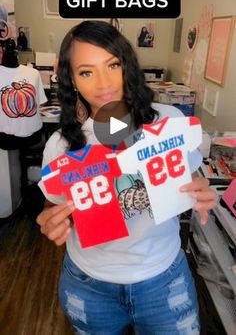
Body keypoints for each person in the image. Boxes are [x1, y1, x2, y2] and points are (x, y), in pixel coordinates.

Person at [37, 21, 216, 334]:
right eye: (86, 71)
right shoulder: (61, 146)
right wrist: (52, 220)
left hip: (164, 279)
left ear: (127, 65)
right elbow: (53, 208)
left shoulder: (168, 122)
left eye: (113, 65)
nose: (104, 82)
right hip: (89, 286)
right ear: (72, 80)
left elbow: (188, 181)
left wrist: (199, 189)